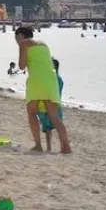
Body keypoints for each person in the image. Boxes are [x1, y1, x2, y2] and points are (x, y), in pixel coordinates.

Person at [16, 25, 71, 153]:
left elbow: (22, 66)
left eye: (16, 38)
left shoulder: (23, 43)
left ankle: (38, 145)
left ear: (20, 36)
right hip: (51, 80)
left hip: (37, 80)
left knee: (31, 112)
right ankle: (66, 147)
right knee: (54, 116)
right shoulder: (43, 44)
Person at [38, 58, 65, 153]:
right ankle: (59, 147)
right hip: (55, 105)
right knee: (55, 127)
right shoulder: (58, 79)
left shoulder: (53, 78)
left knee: (49, 128)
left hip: (51, 105)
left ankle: (50, 148)